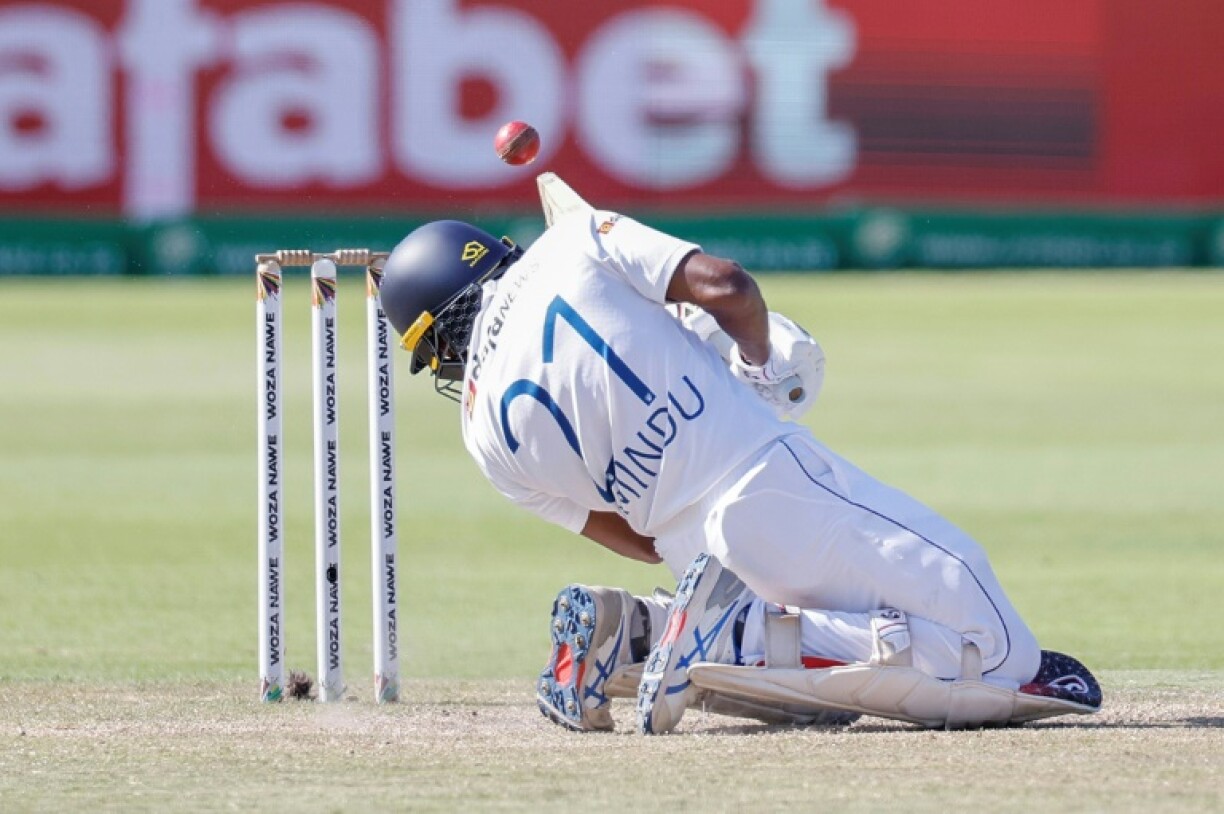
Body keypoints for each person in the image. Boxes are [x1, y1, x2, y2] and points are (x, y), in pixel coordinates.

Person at [378, 209, 1102, 734]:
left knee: (823, 677)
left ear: (440, 333)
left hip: (689, 550)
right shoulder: (570, 242)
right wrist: (755, 365)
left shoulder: (482, 438)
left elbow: (627, 538)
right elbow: (725, 286)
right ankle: (733, 637)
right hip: (766, 481)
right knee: (1001, 648)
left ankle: (646, 630)